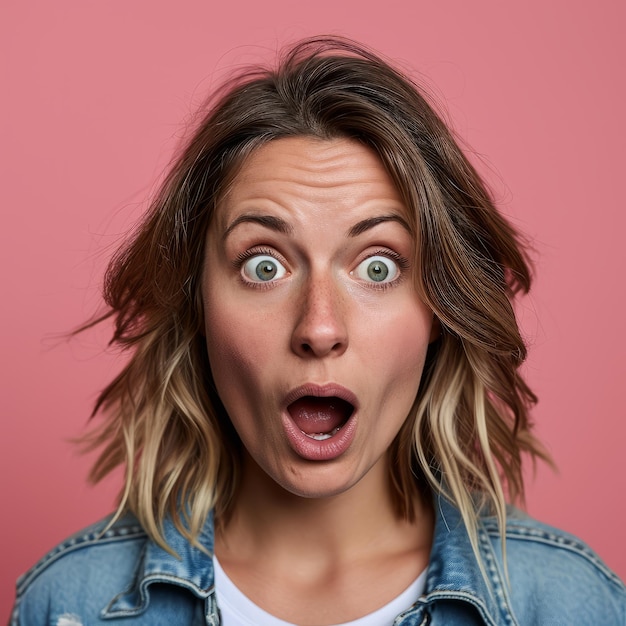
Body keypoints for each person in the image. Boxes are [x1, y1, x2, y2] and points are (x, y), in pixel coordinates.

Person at [10, 36, 625, 626]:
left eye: (378, 267)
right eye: (264, 266)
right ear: (197, 304)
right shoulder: (71, 607)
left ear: (440, 310)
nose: (320, 327)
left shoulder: (571, 607)